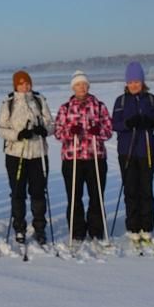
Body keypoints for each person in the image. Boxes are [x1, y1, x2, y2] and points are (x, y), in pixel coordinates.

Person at [53, 70, 112, 243]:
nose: (82, 87)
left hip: (95, 157)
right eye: (78, 85)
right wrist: (70, 132)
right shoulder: (65, 108)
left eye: (84, 84)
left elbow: (108, 130)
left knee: (96, 196)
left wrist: (98, 131)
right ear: (73, 87)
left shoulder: (99, 106)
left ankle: (96, 229)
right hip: (72, 158)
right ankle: (77, 230)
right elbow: (58, 132)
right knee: (74, 196)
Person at [0, 70, 52, 245]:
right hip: (16, 154)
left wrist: (44, 130)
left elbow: (51, 124)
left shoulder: (39, 100)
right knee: (18, 192)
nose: (25, 86)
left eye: (27, 83)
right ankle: (19, 228)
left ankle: (40, 228)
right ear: (16, 85)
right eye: (21, 84)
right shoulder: (9, 103)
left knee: (38, 192)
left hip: (38, 153)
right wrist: (18, 135)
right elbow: (1, 128)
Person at [112, 62, 154, 245]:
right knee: (131, 189)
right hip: (126, 151)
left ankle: (147, 226)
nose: (134, 85)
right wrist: (127, 124)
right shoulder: (121, 101)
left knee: (146, 189)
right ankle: (133, 226)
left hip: (146, 150)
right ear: (127, 83)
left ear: (142, 82)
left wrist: (151, 122)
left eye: (137, 82)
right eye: (131, 82)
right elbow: (114, 124)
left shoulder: (151, 100)